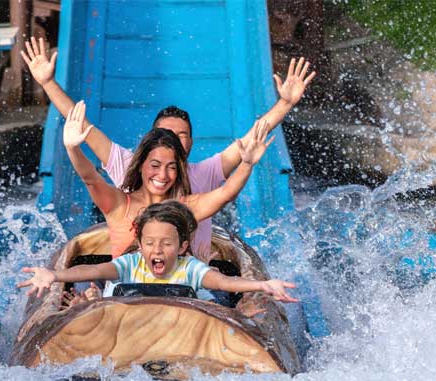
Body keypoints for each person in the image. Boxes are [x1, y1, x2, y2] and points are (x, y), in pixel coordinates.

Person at [22, 36, 316, 259]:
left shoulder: (203, 178)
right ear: (151, 143)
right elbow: (81, 126)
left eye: (182, 135)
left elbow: (250, 143)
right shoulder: (126, 172)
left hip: (190, 278)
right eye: (165, 134)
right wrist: (47, 83)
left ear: (190, 143)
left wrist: (285, 103)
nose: (173, 139)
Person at [61, 100, 272, 259]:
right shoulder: (119, 204)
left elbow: (226, 194)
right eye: (155, 166)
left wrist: (247, 164)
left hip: (176, 300)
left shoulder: (185, 208)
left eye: (171, 167)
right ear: (140, 163)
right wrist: (73, 148)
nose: (162, 175)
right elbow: (90, 178)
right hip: (125, 299)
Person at [18, 200, 299, 304]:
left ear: (182, 247)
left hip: (180, 327)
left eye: (167, 244)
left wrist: (263, 284)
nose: (158, 250)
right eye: (150, 243)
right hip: (133, 328)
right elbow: (90, 270)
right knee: (94, 296)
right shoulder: (131, 264)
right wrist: (54, 275)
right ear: (140, 245)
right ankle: (89, 301)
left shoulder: (189, 268)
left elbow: (226, 282)